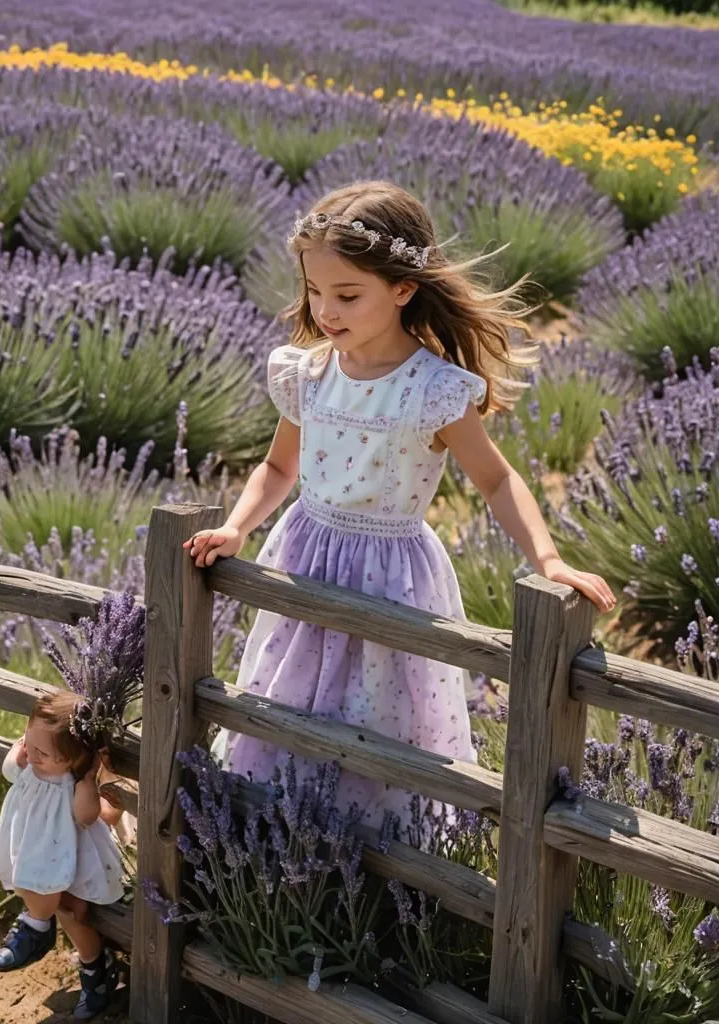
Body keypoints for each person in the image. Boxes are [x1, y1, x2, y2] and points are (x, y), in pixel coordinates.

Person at [185, 180, 615, 836]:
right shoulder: (309, 374)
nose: (327, 311)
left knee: (379, 718)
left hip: (392, 577)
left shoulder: (433, 391)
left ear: (404, 289)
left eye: (348, 295)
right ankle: (276, 849)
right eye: (316, 293)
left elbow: (497, 482)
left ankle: (381, 869)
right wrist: (238, 525)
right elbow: (279, 467)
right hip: (305, 560)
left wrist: (549, 561)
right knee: (289, 701)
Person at [0, 690, 124, 1019]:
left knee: (72, 916)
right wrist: (19, 750)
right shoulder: (33, 768)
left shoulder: (73, 785)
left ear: (73, 760)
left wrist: (90, 780)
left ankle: (91, 969)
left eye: (42, 752)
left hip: (76, 863)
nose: (32, 756)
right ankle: (41, 929)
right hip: (41, 858)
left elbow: (88, 816)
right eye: (28, 744)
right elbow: (11, 769)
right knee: (35, 889)